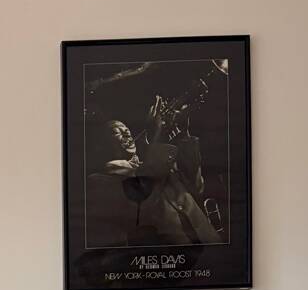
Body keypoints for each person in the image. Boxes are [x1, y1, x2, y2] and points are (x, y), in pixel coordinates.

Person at [85, 97, 221, 247]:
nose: (126, 133)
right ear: (102, 145)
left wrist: (184, 134)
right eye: (116, 131)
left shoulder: (156, 163)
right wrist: (157, 135)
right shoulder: (99, 181)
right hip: (172, 255)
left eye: (127, 129)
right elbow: (144, 202)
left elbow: (196, 187)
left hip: (209, 241)